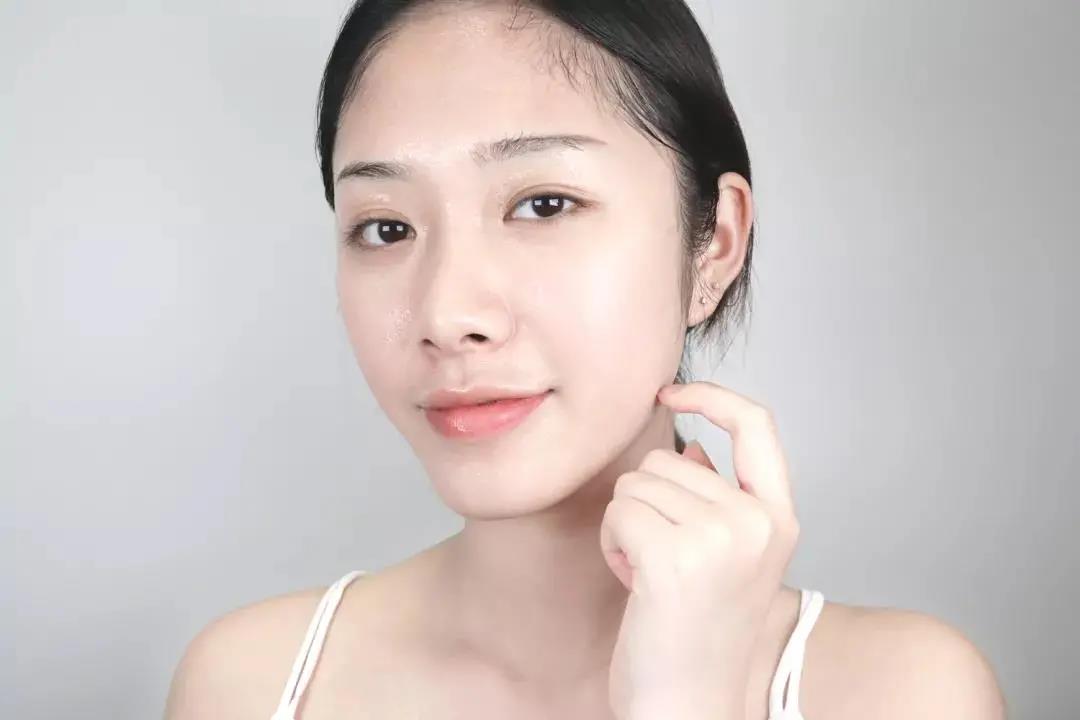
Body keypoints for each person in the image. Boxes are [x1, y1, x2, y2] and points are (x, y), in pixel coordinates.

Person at [164, 1, 1007, 718]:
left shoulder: (905, 694)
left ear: (714, 244)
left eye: (544, 204)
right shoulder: (250, 684)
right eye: (386, 227)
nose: (449, 316)